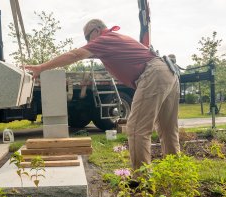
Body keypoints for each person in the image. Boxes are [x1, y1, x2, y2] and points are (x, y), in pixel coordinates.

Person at [25, 19, 180, 173]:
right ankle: (177, 172)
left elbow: (75, 54)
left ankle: (142, 179)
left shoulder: (104, 39)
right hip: (167, 72)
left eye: (87, 37)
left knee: (136, 128)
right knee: (168, 129)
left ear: (97, 30)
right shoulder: (113, 40)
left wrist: (41, 67)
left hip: (153, 74)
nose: (87, 42)